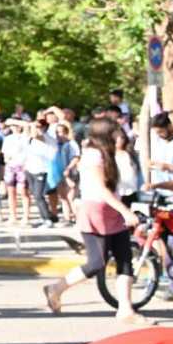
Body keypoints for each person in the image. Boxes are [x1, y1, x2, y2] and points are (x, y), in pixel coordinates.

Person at [42, 118, 149, 324]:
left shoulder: (109, 154)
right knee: (95, 263)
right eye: (115, 132)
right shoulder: (93, 155)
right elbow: (102, 189)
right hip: (96, 211)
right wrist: (125, 211)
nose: (119, 136)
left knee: (124, 258)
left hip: (113, 211)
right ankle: (56, 288)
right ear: (105, 135)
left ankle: (125, 309)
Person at [2, 122, 32, 225]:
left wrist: (14, 121)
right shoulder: (8, 138)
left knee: (23, 191)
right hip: (11, 166)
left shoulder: (25, 137)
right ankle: (13, 216)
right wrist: (7, 160)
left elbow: (27, 125)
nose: (14, 128)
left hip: (22, 166)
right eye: (12, 126)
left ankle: (26, 216)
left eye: (16, 125)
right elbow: (4, 153)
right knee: (11, 192)